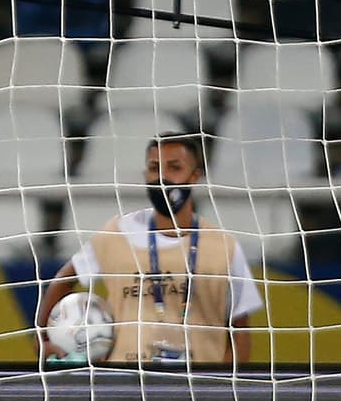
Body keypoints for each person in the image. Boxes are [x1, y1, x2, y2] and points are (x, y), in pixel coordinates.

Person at [37, 132, 263, 365]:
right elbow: (62, 280)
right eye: (155, 168)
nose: (162, 177)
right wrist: (41, 339)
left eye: (174, 168)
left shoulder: (223, 245)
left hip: (198, 386)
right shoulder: (117, 233)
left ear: (194, 176)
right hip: (124, 382)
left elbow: (240, 333)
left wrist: (224, 389)